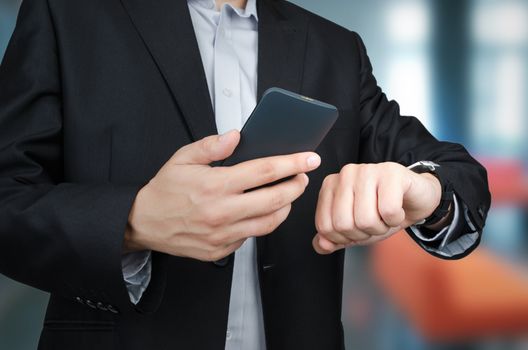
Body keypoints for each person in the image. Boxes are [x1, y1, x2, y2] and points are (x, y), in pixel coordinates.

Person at [0, 0, 490, 349]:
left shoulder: (335, 48)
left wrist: (423, 190)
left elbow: (457, 174)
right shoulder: (66, 13)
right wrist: (132, 221)